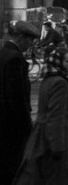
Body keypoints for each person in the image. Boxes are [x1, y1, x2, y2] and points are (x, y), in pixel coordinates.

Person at [13, 47, 68, 184]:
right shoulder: (60, 83)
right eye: (67, 61)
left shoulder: (47, 80)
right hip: (61, 138)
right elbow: (56, 117)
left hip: (42, 136)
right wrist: (58, 147)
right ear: (58, 63)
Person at [0, 20, 40, 184]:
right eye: (30, 40)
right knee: (14, 172)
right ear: (22, 38)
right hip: (12, 128)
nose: (31, 44)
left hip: (2, 123)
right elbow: (17, 99)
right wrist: (27, 128)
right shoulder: (15, 59)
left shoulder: (3, 53)